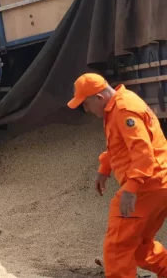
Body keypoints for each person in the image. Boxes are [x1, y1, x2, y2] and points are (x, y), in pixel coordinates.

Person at [68, 73, 167, 277]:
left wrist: (132, 188)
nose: (86, 110)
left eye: (85, 104)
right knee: (139, 247)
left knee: (117, 248)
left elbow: (143, 152)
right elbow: (119, 145)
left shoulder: (123, 110)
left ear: (99, 97)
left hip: (146, 186)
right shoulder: (119, 105)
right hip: (157, 183)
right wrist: (104, 168)